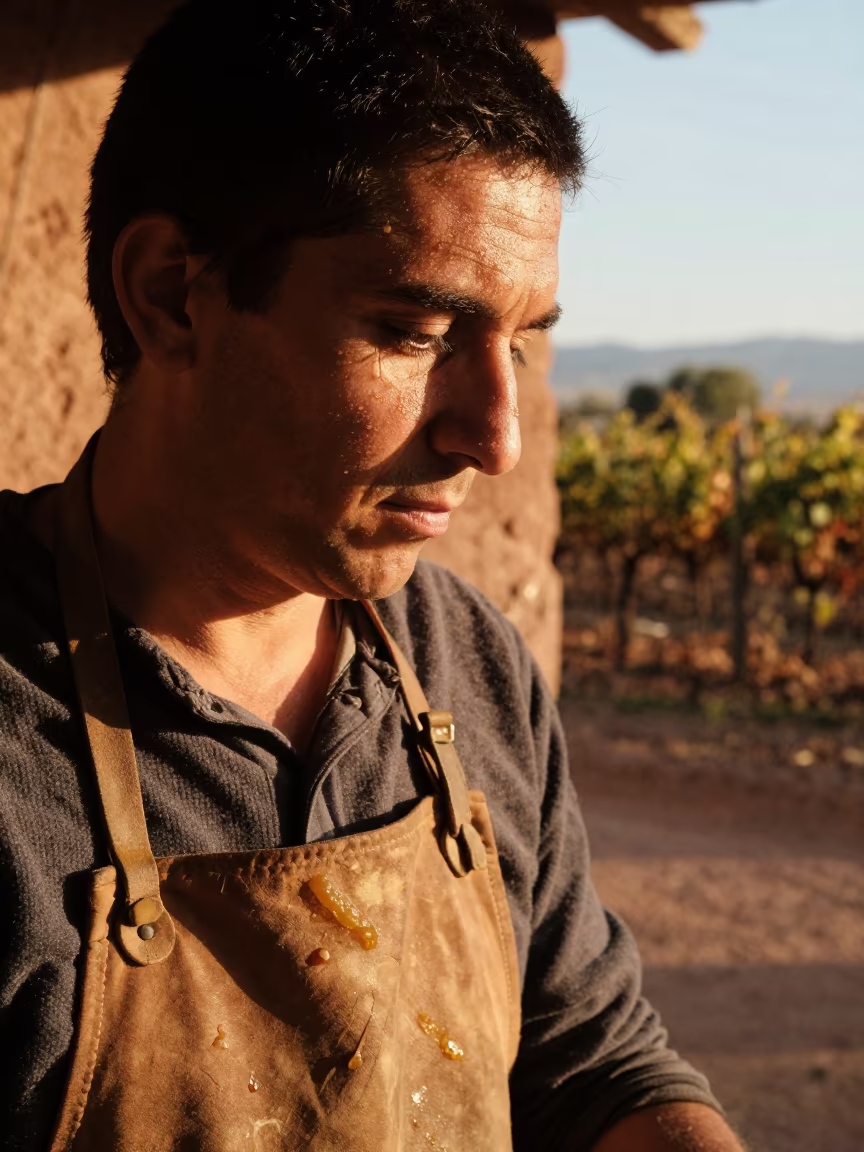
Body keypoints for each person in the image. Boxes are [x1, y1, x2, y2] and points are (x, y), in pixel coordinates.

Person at [0, 1, 747, 1148]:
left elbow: (589, 1058)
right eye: (414, 330)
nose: (494, 436)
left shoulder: (466, 662)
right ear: (169, 295)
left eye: (524, 339)